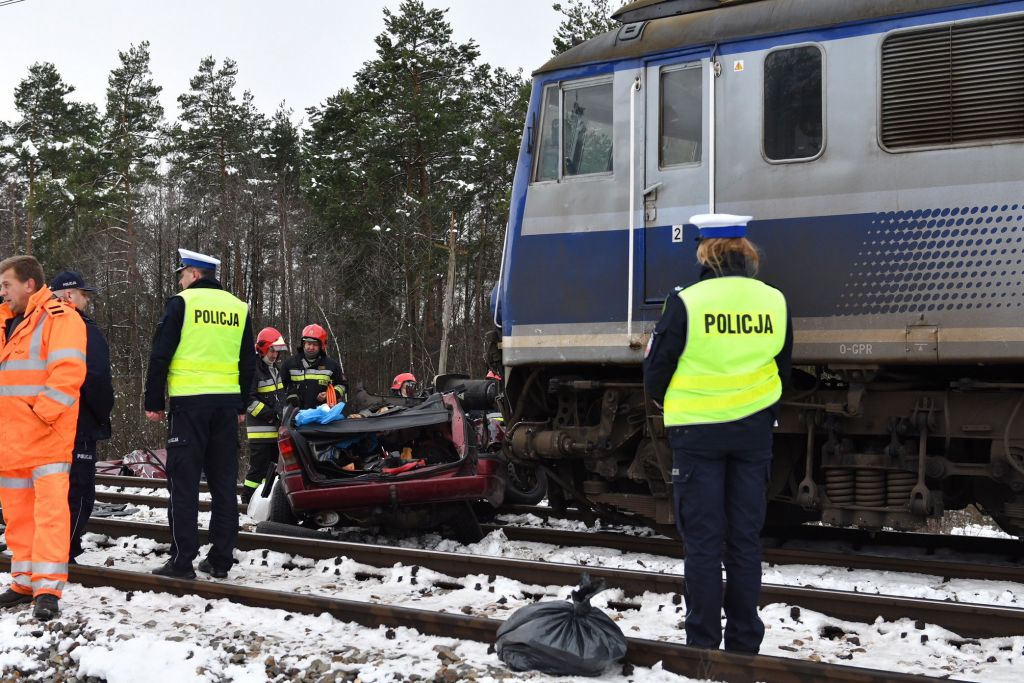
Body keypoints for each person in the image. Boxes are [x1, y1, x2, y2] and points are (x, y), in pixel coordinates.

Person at [643, 213, 792, 654]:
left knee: (704, 544)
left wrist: (672, 404)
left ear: (704, 252)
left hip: (698, 435)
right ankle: (744, 644)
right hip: (753, 434)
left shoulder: (687, 301)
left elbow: (657, 371)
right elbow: (783, 367)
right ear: (745, 252)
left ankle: (703, 645)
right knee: (744, 541)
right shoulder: (774, 300)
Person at [144, 248, 255, 580]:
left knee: (184, 485)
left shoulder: (182, 303)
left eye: (182, 275)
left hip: (189, 406)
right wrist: (240, 405)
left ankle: (182, 562)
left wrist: (154, 401)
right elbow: (247, 362)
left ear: (193, 274)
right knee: (224, 486)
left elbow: (160, 355)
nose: (180, 281)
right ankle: (220, 560)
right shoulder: (238, 307)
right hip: (226, 408)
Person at [0, 255, 87, 621]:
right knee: (18, 516)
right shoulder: (5, 320)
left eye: (7, 284)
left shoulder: (60, 317)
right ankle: (23, 581)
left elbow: (68, 373)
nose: (2, 291)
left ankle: (47, 589)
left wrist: (40, 417)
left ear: (29, 284)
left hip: (46, 437)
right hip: (10, 439)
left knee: (50, 516)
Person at [50, 270, 115, 563]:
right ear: (68, 295)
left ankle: (48, 549)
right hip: (78, 422)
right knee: (79, 491)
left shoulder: (35, 324)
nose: (87, 300)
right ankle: (63, 551)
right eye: (83, 295)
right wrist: (102, 413)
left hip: (42, 423)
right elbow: (97, 377)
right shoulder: (82, 328)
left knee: (49, 490)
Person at [242, 327, 288, 504]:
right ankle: (247, 499)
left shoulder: (273, 369)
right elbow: (248, 399)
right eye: (272, 350)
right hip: (260, 431)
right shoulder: (253, 369)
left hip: (274, 429)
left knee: (272, 469)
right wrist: (270, 414)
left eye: (277, 351)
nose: (275, 355)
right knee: (258, 469)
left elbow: (279, 398)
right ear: (262, 349)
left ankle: (262, 502)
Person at [282, 323, 347, 409]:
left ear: (321, 346)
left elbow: (343, 385)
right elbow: (279, 389)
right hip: (296, 414)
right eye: (308, 344)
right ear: (303, 344)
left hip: (323, 413)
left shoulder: (331, 365)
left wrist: (331, 394)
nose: (311, 347)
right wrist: (290, 396)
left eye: (315, 344)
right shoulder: (290, 364)